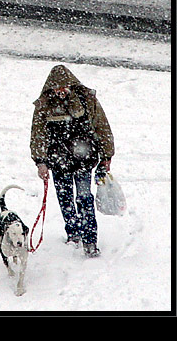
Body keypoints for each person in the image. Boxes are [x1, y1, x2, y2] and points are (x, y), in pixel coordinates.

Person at [30, 65, 114, 257]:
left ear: (70, 86)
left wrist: (106, 156)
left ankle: (90, 241)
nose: (60, 91)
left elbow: (102, 127)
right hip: (59, 163)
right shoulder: (44, 106)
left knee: (84, 198)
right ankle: (73, 233)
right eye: (56, 88)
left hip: (83, 160)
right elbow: (38, 135)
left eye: (63, 87)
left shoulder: (86, 100)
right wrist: (40, 162)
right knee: (65, 198)